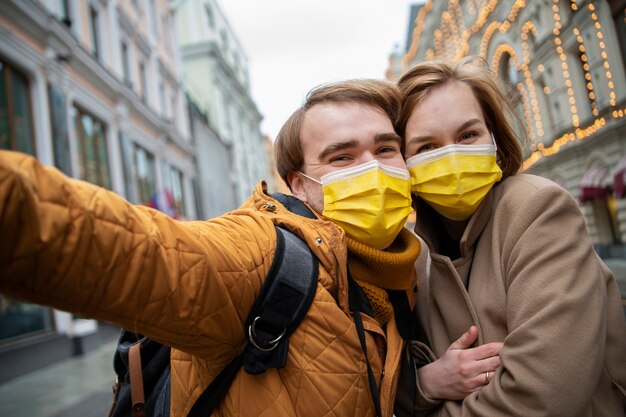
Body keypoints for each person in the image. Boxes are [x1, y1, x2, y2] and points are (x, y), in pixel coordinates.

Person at [0, 79, 428, 417]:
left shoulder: (401, 271)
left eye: (385, 148)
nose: (373, 167)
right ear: (299, 184)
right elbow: (134, 248)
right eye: (341, 158)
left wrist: (424, 384)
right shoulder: (262, 253)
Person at [393, 58, 626, 417]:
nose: (452, 155)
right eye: (426, 147)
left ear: (495, 140)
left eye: (468, 135)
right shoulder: (414, 255)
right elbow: (393, 382)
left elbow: (541, 395)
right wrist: (426, 383)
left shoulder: (537, 207)